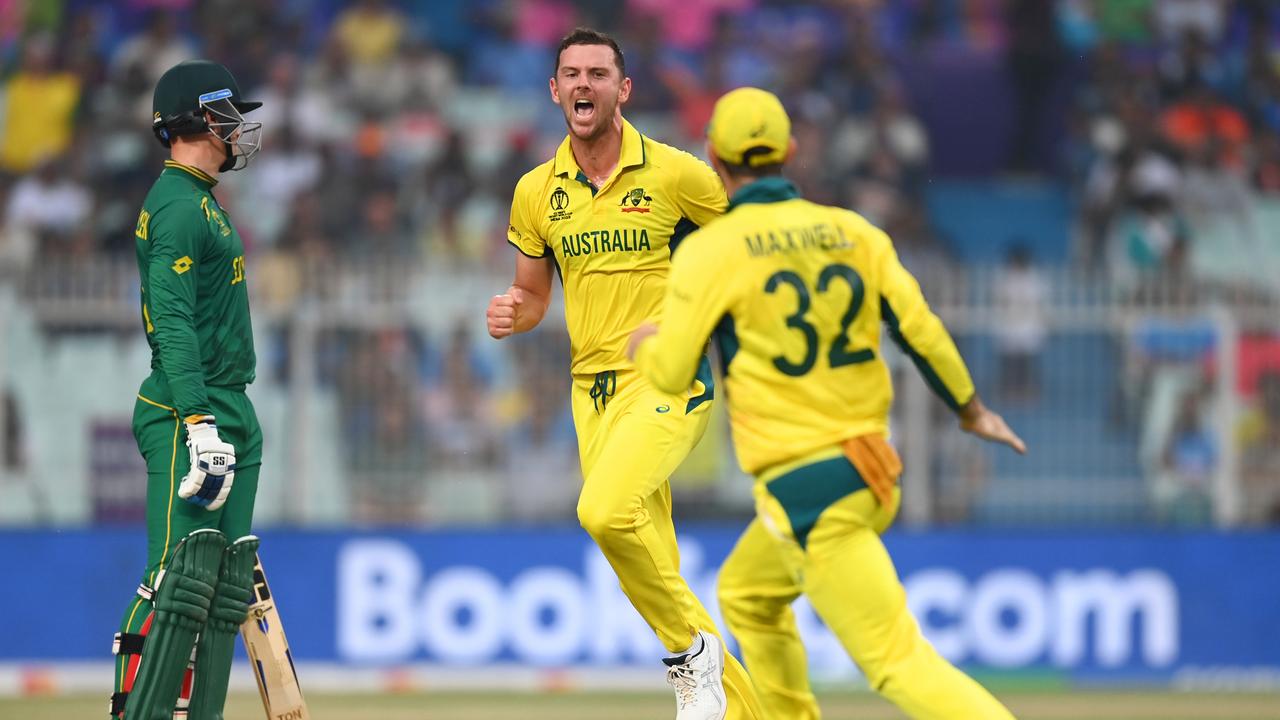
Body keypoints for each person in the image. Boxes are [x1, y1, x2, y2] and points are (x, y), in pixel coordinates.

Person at [629, 87, 1025, 720]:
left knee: (898, 664)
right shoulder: (853, 232)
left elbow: (674, 376)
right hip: (869, 464)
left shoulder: (711, 250)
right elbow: (918, 329)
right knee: (746, 593)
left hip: (806, 486)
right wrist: (971, 408)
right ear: (790, 151)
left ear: (711, 157)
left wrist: (644, 346)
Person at [485, 28, 761, 720]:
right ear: (554, 90)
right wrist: (513, 311)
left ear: (623, 89)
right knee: (658, 568)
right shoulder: (535, 192)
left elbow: (745, 253)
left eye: (598, 74)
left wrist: (691, 319)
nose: (584, 84)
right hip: (592, 392)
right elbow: (536, 296)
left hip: (669, 379)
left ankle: (688, 657)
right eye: (571, 74)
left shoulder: (677, 174)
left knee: (603, 512)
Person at [110, 59, 265, 720]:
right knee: (175, 581)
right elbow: (170, 321)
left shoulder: (202, 199)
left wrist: (224, 419)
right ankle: (135, 711)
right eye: (230, 113)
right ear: (203, 117)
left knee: (222, 590)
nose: (240, 128)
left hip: (230, 405)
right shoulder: (176, 205)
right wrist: (199, 423)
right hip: (185, 410)